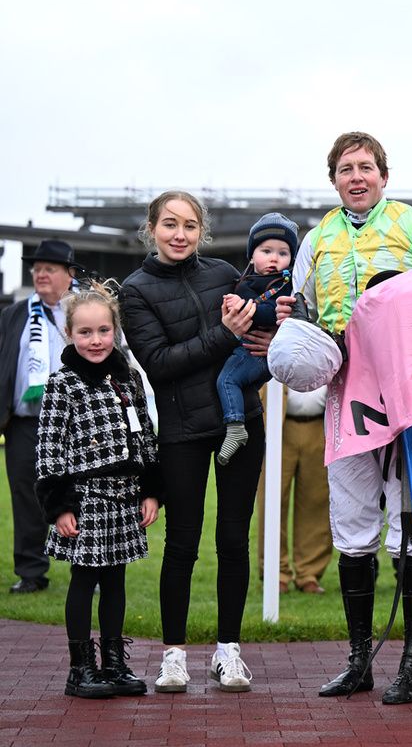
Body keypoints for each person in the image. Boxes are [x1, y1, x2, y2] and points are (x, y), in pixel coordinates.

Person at [277, 131, 412, 705]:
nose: (357, 177)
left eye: (366, 167)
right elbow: (303, 311)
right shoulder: (316, 239)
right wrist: (292, 321)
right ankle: (359, 661)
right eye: (346, 169)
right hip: (345, 393)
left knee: (410, 528)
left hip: (407, 395)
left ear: (384, 176)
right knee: (352, 525)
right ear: (334, 180)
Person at [121, 190, 269, 693]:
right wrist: (226, 334)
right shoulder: (135, 291)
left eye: (189, 225)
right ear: (151, 229)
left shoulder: (226, 274)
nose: (179, 234)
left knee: (233, 540)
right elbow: (160, 363)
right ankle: (174, 656)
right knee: (182, 544)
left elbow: (260, 329)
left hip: (241, 424)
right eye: (169, 224)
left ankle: (229, 652)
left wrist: (270, 339)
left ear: (201, 231)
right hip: (181, 432)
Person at [34, 281, 160, 699]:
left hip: (124, 497)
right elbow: (49, 447)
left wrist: (150, 490)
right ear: (69, 333)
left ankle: (114, 664)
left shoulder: (129, 379)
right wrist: (59, 506)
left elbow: (145, 438)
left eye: (104, 331)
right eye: (85, 332)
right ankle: (80, 669)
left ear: (115, 331)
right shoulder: (62, 384)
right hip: (84, 500)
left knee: (116, 580)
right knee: (84, 579)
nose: (95, 340)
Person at [1, 239, 80, 594]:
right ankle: (31, 572)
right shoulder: (15, 314)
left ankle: (86, 566)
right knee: (25, 495)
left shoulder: (85, 310)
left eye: (49, 268)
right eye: (37, 269)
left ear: (69, 274)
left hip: (74, 422)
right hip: (25, 423)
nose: (41, 274)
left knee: (81, 493)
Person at [216, 212, 297, 465]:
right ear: (252, 255)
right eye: (266, 251)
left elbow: (271, 314)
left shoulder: (287, 284)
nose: (274, 258)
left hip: (257, 354)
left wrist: (242, 306)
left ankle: (235, 427)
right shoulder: (246, 281)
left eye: (283, 253)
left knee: (227, 380)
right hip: (247, 349)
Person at [255, 384, 332, 595]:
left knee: (316, 500)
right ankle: (275, 572)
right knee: (272, 500)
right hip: (278, 424)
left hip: (321, 424)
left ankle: (309, 573)